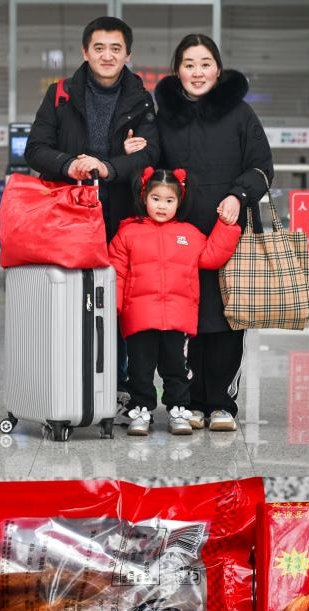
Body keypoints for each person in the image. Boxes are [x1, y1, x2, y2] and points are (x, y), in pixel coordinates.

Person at [25, 16, 160, 405]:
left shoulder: (141, 98)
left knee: (117, 298)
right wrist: (70, 164)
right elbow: (35, 148)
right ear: (85, 52)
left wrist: (110, 167)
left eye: (116, 48)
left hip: (121, 212)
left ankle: (116, 386)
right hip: (68, 214)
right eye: (99, 47)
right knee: (68, 297)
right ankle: (65, 380)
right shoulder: (60, 94)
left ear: (127, 55)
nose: (107, 55)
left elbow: (152, 152)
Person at [152, 34, 274, 431]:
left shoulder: (239, 114)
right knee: (188, 318)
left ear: (218, 70)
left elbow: (262, 167)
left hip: (229, 231)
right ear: (177, 70)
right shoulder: (163, 116)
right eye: (189, 64)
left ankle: (220, 402)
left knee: (226, 318)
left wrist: (239, 195)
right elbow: (154, 171)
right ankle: (188, 401)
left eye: (205, 63)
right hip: (180, 236)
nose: (197, 71)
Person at [108, 168, 240, 437]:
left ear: (179, 202)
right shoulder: (128, 233)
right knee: (139, 368)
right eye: (156, 198)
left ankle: (178, 409)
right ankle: (141, 409)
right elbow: (117, 272)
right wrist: (114, 308)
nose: (162, 206)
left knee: (176, 368)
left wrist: (227, 226)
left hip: (177, 318)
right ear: (144, 197)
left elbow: (211, 257)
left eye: (169, 200)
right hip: (139, 317)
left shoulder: (189, 234)